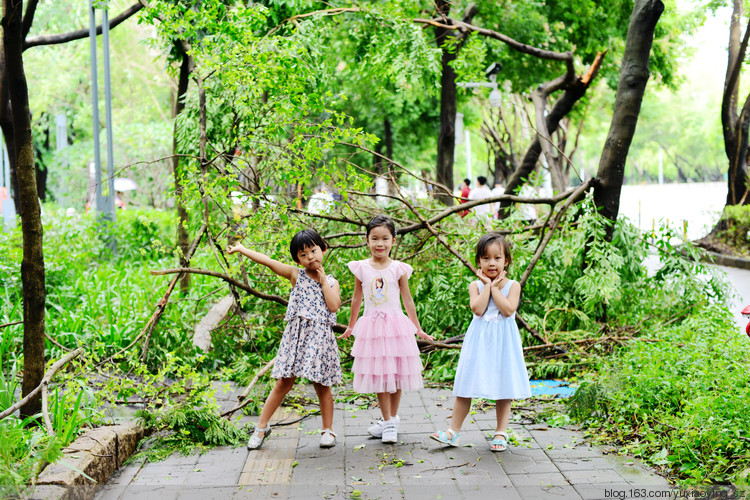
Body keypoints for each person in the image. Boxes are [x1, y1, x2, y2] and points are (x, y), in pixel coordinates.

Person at [227, 229, 342, 450]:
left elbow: (334, 306)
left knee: (322, 385)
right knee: (283, 381)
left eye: (313, 251)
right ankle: (261, 427)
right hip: (296, 336)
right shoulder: (295, 275)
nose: (310, 257)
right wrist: (242, 249)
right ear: (297, 259)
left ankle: (328, 429)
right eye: (303, 254)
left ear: (323, 250)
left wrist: (323, 279)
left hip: (320, 338)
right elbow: (269, 262)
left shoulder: (331, 282)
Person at [430, 233, 530, 452]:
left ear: (506, 261)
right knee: (466, 384)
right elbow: (478, 309)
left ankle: (501, 433)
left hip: (504, 341)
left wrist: (494, 288)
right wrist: (487, 286)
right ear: (478, 261)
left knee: (504, 386)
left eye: (497, 258)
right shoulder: (475, 285)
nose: (491, 263)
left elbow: (508, 309)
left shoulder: (513, 286)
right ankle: (453, 431)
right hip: (479, 341)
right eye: (485, 258)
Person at [339, 215, 434, 443]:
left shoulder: (398, 269)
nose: (379, 243)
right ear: (367, 240)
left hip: (395, 326)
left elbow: (407, 300)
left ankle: (391, 420)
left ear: (393, 240)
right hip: (372, 327)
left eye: (385, 238)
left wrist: (418, 328)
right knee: (380, 374)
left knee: (396, 374)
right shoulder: (361, 268)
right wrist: (352, 325)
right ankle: (388, 420)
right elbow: (356, 298)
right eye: (374, 238)